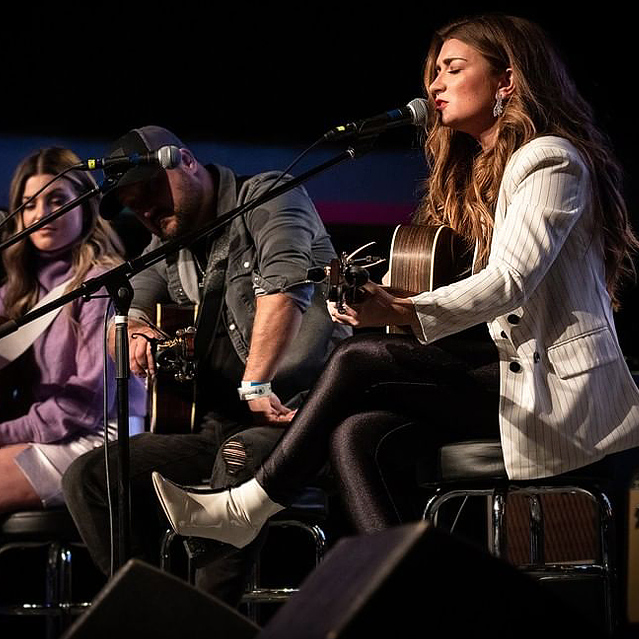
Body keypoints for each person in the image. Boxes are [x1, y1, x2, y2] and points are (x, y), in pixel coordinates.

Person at [151, 13, 639, 549]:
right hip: (500, 378)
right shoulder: (472, 177)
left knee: (360, 359)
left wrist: (404, 312)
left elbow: (510, 282)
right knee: (355, 435)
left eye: (452, 69)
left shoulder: (550, 159)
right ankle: (406, 597)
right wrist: (377, 297)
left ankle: (248, 506)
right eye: (433, 73)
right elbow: (452, 285)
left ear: (508, 80)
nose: (434, 85)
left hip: (551, 388)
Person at [61, 126, 349, 603]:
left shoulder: (271, 196)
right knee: (91, 476)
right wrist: (132, 333)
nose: (148, 210)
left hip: (298, 417)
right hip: (216, 427)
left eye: (151, 190)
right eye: (136, 204)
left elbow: (286, 285)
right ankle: (152, 615)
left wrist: (256, 384)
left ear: (186, 162)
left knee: (234, 462)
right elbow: (127, 311)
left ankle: (206, 624)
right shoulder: (165, 244)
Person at [0, 147, 147, 513]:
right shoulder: (17, 291)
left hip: (100, 439)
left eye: (57, 200)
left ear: (85, 206)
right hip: (48, 430)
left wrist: (4, 435)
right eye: (29, 203)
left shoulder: (101, 282)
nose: (41, 214)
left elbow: (84, 407)